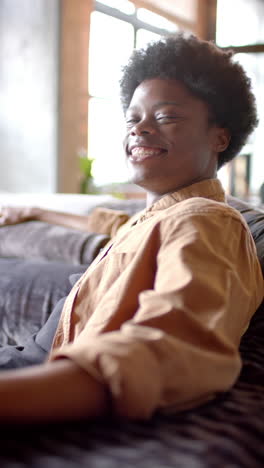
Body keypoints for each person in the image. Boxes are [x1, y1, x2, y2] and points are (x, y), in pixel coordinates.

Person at [0, 33, 263, 423]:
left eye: (166, 116)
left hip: (38, 378)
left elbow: (171, 347)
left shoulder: (207, 220)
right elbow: (107, 224)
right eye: (132, 118)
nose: (139, 129)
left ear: (220, 136)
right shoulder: (154, 221)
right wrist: (37, 210)